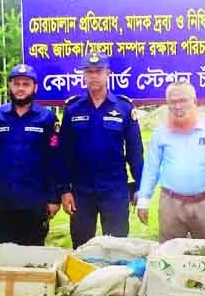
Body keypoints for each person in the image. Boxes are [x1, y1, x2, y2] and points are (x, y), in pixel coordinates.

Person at [59, 52, 143, 249]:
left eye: (98, 71)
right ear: (83, 75)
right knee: (81, 247)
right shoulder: (73, 109)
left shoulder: (123, 107)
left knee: (117, 247)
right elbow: (63, 153)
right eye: (89, 72)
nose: (94, 76)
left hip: (115, 190)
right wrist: (64, 190)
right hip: (81, 192)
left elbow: (135, 151)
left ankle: (115, 280)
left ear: (108, 73)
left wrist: (140, 186)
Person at [136, 81, 205, 242]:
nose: (178, 106)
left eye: (183, 100)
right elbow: (151, 168)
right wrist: (144, 200)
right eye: (173, 102)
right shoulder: (160, 133)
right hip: (170, 205)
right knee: (169, 257)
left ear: (194, 101)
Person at [0, 64, 61, 245]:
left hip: (36, 200)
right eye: (16, 83)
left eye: (26, 84)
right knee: (7, 252)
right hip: (6, 199)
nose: (21, 88)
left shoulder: (47, 118)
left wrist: (54, 197)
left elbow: (55, 161)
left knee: (35, 255)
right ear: (10, 86)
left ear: (35, 87)